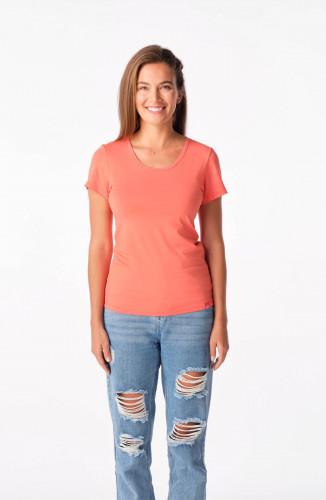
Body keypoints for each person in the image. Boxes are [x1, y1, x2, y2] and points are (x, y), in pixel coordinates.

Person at [84, 44, 229, 500]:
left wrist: (221, 319)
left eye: (165, 86)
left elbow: (215, 243)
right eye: (144, 87)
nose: (155, 97)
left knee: (187, 447)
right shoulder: (107, 159)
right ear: (132, 95)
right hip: (124, 321)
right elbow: (100, 245)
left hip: (192, 317)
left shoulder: (203, 158)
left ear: (179, 93)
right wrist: (95, 322)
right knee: (130, 447)